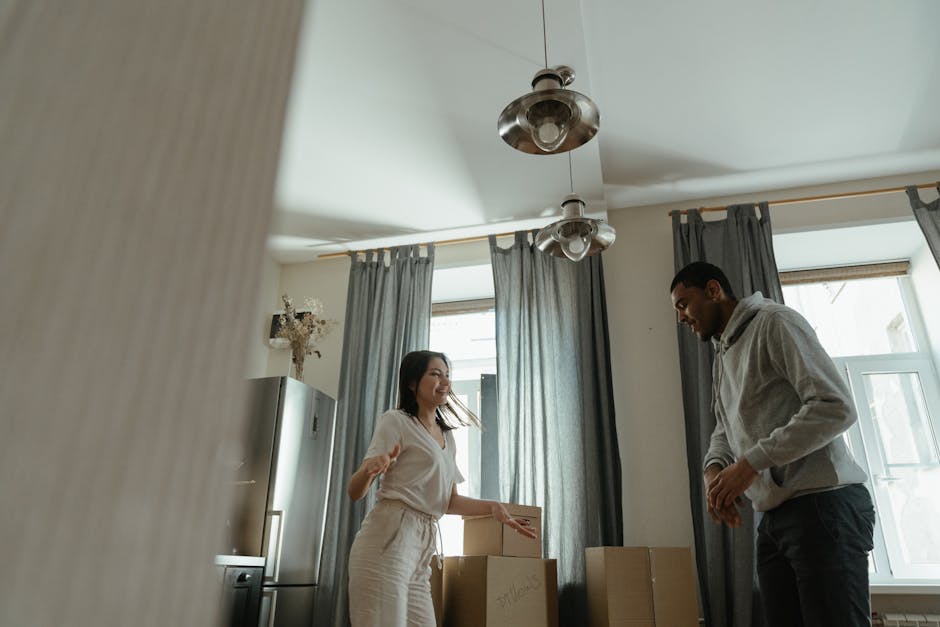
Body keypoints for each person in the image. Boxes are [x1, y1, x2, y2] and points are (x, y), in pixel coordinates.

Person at [669, 262, 875, 627]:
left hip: (824, 507)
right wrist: (713, 473)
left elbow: (835, 407)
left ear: (713, 290)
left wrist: (749, 464)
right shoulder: (722, 353)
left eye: (684, 304)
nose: (681, 317)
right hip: (774, 518)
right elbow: (724, 428)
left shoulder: (775, 323)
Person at [347, 350, 536, 627]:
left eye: (447, 375)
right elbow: (355, 492)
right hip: (388, 541)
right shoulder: (396, 420)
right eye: (435, 374)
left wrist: (493, 507)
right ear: (412, 383)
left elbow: (449, 501)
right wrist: (369, 470)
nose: (445, 381)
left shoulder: (446, 436)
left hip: (422, 548)